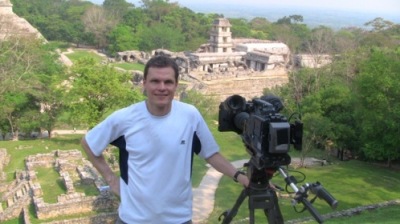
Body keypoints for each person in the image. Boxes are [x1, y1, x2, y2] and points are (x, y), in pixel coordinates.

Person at [81, 55, 249, 224]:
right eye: (155, 81)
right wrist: (111, 180)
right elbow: (88, 143)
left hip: (178, 219)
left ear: (176, 85)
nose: (162, 87)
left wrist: (240, 177)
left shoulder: (189, 115)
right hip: (133, 219)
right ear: (144, 83)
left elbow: (211, 155)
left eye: (168, 82)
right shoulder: (125, 118)